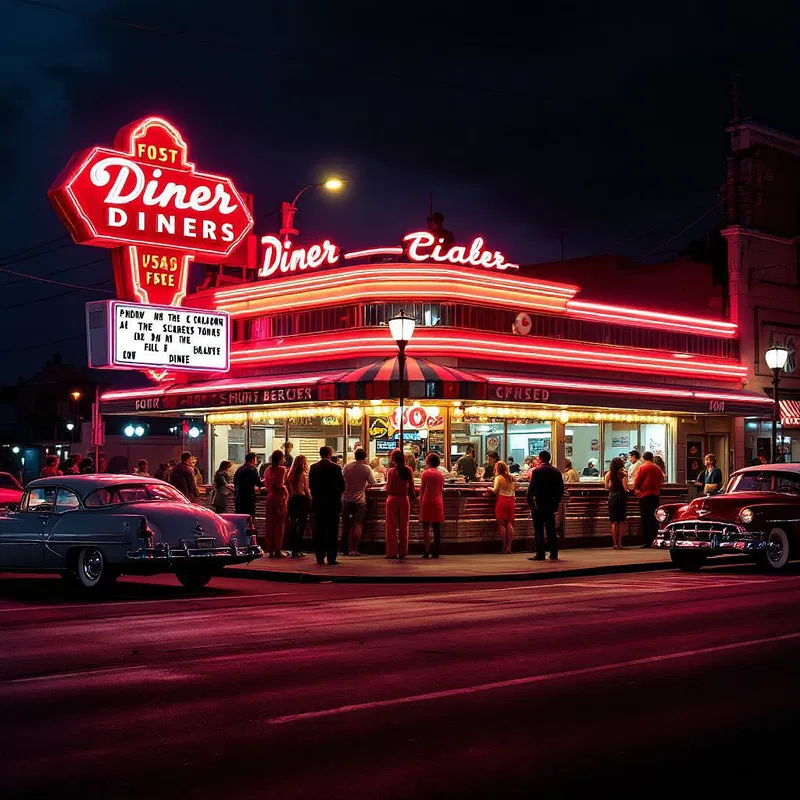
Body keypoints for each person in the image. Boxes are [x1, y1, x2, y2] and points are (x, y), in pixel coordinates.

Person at [308, 446, 345, 566]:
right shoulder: (336, 467)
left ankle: (319, 556)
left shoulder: (313, 467)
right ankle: (331, 557)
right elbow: (342, 486)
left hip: (319, 504)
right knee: (332, 531)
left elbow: (311, 485)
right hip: (333, 503)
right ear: (330, 454)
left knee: (320, 531)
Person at [526, 451, 564, 561]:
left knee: (538, 529)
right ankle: (554, 553)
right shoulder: (556, 471)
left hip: (539, 503)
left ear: (540, 459)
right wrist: (556, 501)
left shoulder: (537, 471)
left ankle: (540, 553)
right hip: (551, 504)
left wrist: (530, 503)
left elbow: (531, 488)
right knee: (551, 529)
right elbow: (561, 488)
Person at [341, 447, 376, 556]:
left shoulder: (347, 466)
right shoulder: (366, 468)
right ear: (365, 457)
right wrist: (364, 486)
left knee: (347, 525)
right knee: (358, 525)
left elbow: (342, 479)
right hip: (360, 500)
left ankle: (347, 549)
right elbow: (372, 482)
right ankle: (356, 549)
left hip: (346, 499)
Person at [385, 448, 416, 560]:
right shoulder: (408, 470)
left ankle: (391, 552)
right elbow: (411, 486)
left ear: (393, 459)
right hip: (404, 499)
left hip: (392, 499)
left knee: (391, 527)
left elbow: (388, 487)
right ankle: (403, 552)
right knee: (404, 526)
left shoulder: (391, 472)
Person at [633, 451, 664, 548]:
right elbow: (661, 480)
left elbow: (637, 482)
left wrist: (637, 489)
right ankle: (655, 539)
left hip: (645, 496)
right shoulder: (657, 468)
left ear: (643, 458)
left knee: (645, 519)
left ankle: (647, 541)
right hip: (655, 496)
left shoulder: (642, 467)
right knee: (654, 518)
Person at [419, 452, 445, 558]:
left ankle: (426, 550)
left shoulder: (425, 473)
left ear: (428, 461)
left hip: (427, 500)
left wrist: (420, 502)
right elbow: (441, 489)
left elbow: (422, 489)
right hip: (438, 501)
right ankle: (436, 551)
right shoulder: (441, 475)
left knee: (426, 527)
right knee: (436, 527)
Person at [263, 450, 289, 557]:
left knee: (270, 525)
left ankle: (270, 549)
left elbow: (267, 484)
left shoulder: (268, 469)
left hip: (270, 498)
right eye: (283, 457)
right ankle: (278, 549)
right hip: (279, 499)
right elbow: (278, 484)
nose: (285, 460)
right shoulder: (281, 469)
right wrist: (285, 491)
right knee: (279, 525)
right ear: (280, 458)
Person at [286, 454, 311, 558]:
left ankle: (293, 549)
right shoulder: (303, 475)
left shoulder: (289, 474)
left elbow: (289, 488)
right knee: (301, 525)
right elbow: (305, 490)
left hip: (292, 500)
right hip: (301, 500)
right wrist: (310, 498)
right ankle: (298, 549)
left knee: (292, 525)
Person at [489, 460, 516, 554]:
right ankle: (509, 546)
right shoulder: (510, 477)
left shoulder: (499, 478)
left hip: (502, 500)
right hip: (511, 501)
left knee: (501, 524)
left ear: (497, 469)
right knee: (510, 523)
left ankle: (504, 546)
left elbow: (495, 490)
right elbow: (515, 487)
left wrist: (489, 488)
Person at [604, 457, 630, 549]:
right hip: (621, 498)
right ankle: (620, 543)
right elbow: (625, 487)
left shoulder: (608, 474)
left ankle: (614, 543)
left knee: (614, 521)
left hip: (612, 498)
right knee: (621, 521)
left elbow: (607, 487)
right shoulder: (623, 474)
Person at [234, 452, 261, 520]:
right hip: (249, 499)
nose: (256, 462)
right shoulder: (252, 469)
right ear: (252, 460)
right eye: (255, 459)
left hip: (238, 499)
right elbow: (259, 483)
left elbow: (235, 483)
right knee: (249, 518)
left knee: (240, 519)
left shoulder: (239, 470)